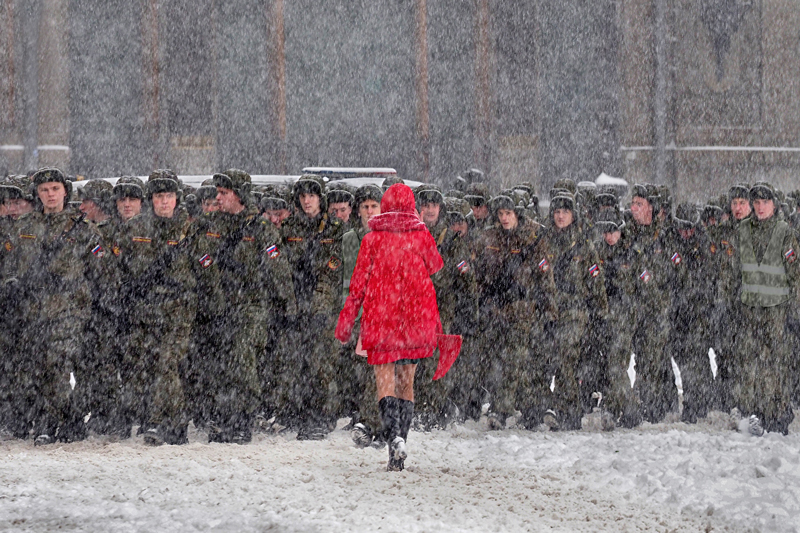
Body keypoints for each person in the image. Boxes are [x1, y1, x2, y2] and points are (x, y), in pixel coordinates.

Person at [335, 183, 444, 471]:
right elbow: (436, 266)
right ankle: (400, 445)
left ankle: (393, 437)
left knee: (384, 383)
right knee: (406, 384)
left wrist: (346, 322)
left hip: (381, 318)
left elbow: (357, 287)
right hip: (415, 319)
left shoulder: (371, 239)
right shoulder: (421, 236)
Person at [730, 182, 798, 435]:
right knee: (748, 360)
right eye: (756, 202)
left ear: (774, 205)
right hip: (750, 309)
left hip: (777, 311)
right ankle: (753, 412)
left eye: (765, 202)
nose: (760, 207)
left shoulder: (784, 232)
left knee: (775, 363)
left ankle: (778, 413)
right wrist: (729, 303)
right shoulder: (742, 231)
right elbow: (735, 272)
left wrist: (795, 311)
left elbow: (795, 275)